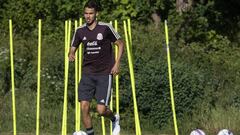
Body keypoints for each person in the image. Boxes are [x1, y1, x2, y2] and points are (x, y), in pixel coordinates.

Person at [68, 0, 124, 135]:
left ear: (96, 14)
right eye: (86, 13)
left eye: (91, 13)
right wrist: (71, 54)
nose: (88, 16)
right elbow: (72, 48)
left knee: (101, 110)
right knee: (84, 106)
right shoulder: (80, 31)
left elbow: (121, 44)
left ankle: (114, 118)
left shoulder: (105, 28)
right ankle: (90, 133)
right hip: (87, 74)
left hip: (104, 74)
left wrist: (117, 63)